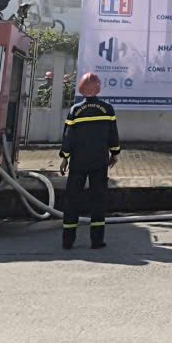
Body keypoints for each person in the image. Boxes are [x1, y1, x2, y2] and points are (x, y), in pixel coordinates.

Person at [59, 72, 120, 250]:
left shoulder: (75, 110)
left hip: (78, 162)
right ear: (98, 88)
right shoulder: (107, 109)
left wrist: (64, 158)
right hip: (99, 161)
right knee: (98, 200)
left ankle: (67, 241)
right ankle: (97, 241)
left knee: (72, 200)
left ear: (81, 88)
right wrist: (115, 153)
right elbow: (113, 135)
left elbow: (68, 137)